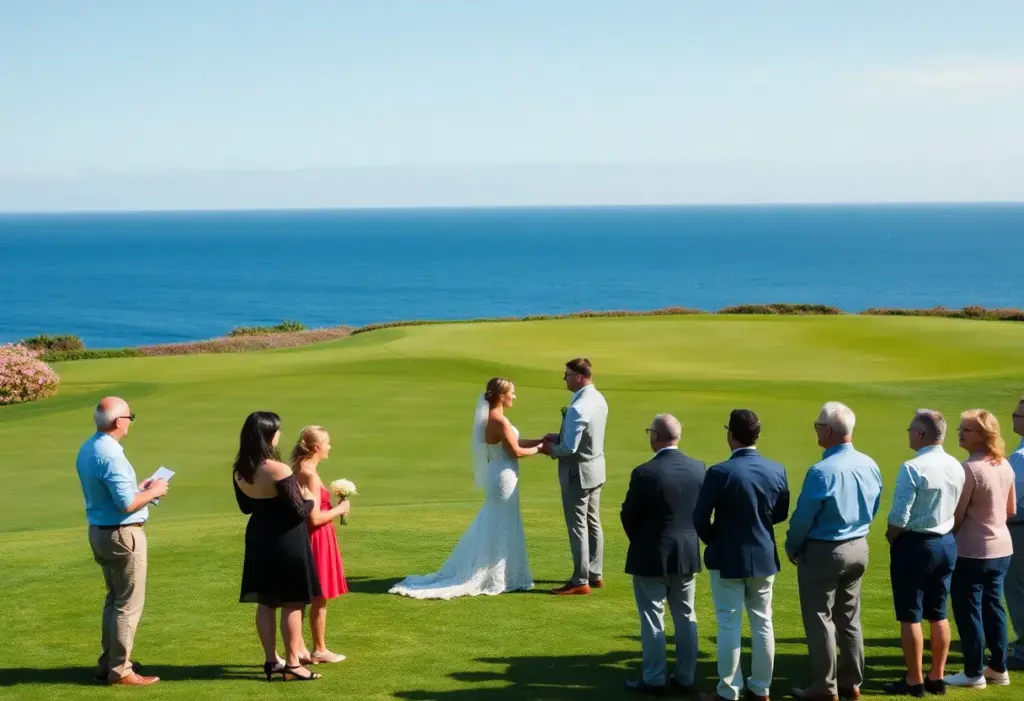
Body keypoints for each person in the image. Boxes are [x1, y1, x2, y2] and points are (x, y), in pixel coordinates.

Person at [389, 377, 543, 598]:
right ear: (501, 396)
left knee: (499, 520)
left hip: (498, 472)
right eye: (512, 393)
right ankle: (494, 575)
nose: (514, 397)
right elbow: (516, 451)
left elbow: (513, 442)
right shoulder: (498, 420)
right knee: (500, 521)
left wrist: (540, 441)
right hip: (504, 476)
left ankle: (502, 573)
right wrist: (541, 448)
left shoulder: (490, 419)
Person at [785, 402, 883, 701]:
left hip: (825, 552)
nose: (816, 430)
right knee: (849, 618)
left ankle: (825, 687)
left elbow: (804, 517)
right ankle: (851, 683)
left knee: (819, 618)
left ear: (828, 430)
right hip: (859, 547)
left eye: (817, 426)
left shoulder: (821, 471)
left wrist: (792, 544)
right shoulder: (870, 463)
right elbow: (875, 504)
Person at [693, 409, 790, 701]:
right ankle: (761, 688)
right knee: (763, 622)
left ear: (731, 435)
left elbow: (699, 517)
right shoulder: (776, 469)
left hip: (727, 558)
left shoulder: (720, 472)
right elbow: (781, 513)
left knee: (729, 623)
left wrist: (715, 539)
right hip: (762, 555)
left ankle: (729, 690)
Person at [76, 397, 168, 686]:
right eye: (130, 417)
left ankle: (110, 662)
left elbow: (119, 494)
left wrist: (139, 488)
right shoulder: (112, 454)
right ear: (119, 422)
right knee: (127, 604)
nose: (130, 421)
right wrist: (155, 492)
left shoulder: (89, 447)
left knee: (114, 600)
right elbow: (127, 504)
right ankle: (120, 670)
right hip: (122, 534)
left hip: (101, 531)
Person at [233, 411, 322, 682]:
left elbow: (246, 507)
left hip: (260, 536)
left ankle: (272, 660)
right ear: (269, 435)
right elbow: (298, 512)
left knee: (266, 601)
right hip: (287, 538)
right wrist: (309, 499)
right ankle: (293, 663)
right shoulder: (278, 469)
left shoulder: (241, 469)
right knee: (293, 602)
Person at [882, 410, 965, 697]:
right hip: (946, 542)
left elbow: (899, 517)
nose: (908, 433)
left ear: (920, 434)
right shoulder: (956, 465)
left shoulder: (912, 467)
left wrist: (892, 535)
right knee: (939, 614)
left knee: (911, 615)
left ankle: (914, 680)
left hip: (916, 545)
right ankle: (937, 677)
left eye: (910, 429)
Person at [620, 414, 705, 695]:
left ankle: (654, 678)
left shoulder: (645, 472)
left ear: (656, 436)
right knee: (686, 616)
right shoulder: (698, 469)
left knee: (653, 618)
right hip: (687, 554)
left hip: (651, 555)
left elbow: (629, 514)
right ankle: (685, 677)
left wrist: (642, 540)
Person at [945, 409, 1017, 689]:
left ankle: (974, 672)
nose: (961, 434)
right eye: (961, 428)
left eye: (968, 430)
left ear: (984, 435)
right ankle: (998, 668)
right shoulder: (1004, 465)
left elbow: (957, 516)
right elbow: (1010, 509)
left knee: (968, 610)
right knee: (994, 607)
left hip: (972, 551)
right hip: (1001, 549)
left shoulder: (970, 469)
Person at [539, 358, 610, 596]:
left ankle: (580, 580)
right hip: (596, 468)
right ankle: (595, 574)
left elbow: (569, 448)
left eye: (567, 374)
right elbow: (584, 436)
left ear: (580, 376)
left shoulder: (579, 406)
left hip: (577, 473)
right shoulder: (598, 398)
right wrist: (557, 436)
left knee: (578, 526)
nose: (565, 378)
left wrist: (550, 449)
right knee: (593, 522)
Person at [291, 426, 350, 664]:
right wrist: (340, 509)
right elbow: (314, 517)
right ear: (316, 447)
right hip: (317, 537)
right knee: (319, 596)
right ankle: (319, 649)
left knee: (302, 597)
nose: (329, 447)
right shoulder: (311, 475)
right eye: (327, 443)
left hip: (304, 536)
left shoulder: (298, 469)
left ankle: (300, 648)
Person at [1006, 397, 1024, 670]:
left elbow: (1012, 502)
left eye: (1017, 415)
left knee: (1018, 590)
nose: (1013, 417)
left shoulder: (1019, 458)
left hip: (1020, 529)